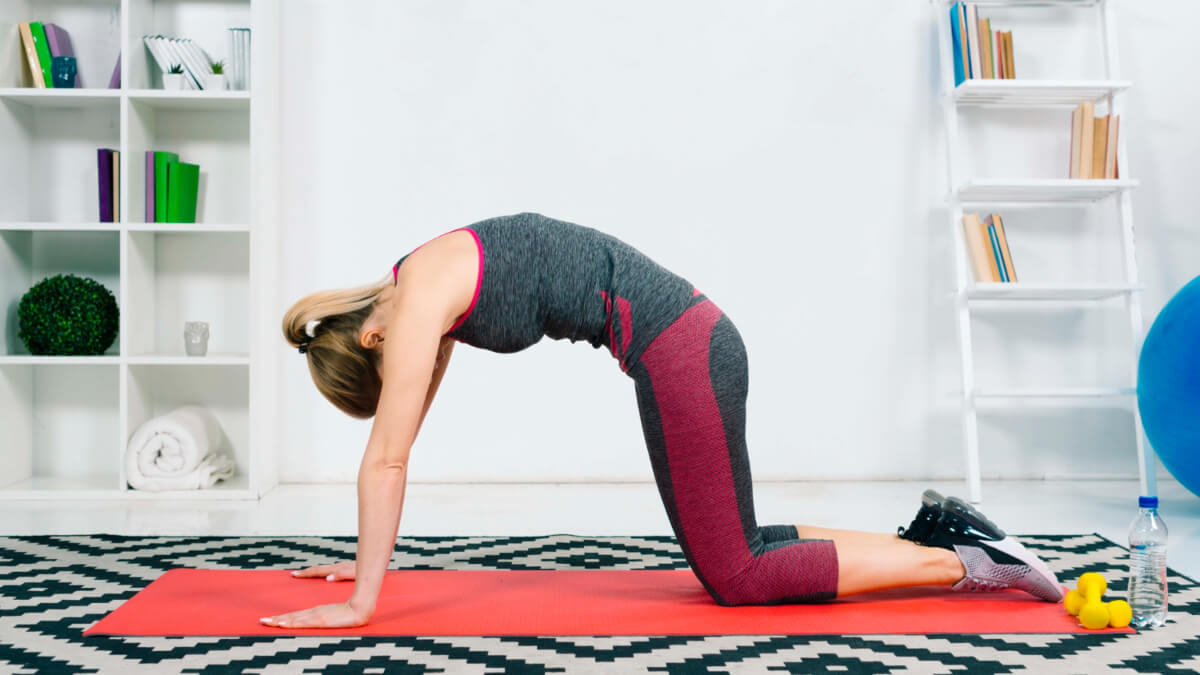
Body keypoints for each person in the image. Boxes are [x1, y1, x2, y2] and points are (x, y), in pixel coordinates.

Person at [263, 212, 1064, 629]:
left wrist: (361, 602)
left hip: (684, 348)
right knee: (739, 542)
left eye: (381, 373)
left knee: (736, 575)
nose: (400, 374)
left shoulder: (411, 308)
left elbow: (386, 458)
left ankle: (967, 564)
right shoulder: (418, 279)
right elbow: (402, 445)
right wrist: (364, 563)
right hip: (682, 344)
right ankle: (935, 540)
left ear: (372, 338)